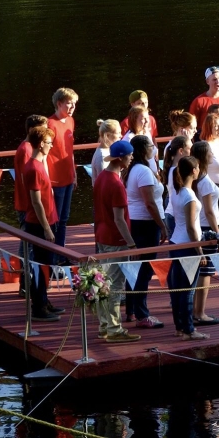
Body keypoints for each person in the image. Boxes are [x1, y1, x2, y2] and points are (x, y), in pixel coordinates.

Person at [92, 139, 142, 343]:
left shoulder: (101, 178)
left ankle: (104, 325)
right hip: (116, 239)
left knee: (104, 282)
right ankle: (114, 329)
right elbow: (119, 219)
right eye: (130, 155)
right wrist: (131, 244)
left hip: (102, 235)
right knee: (114, 285)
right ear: (121, 158)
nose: (132, 158)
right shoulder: (116, 184)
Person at [122, 136, 168, 329]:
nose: (154, 148)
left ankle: (131, 310)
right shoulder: (143, 171)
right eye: (151, 145)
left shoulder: (135, 169)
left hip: (136, 222)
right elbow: (149, 203)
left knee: (135, 268)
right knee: (145, 269)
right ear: (143, 150)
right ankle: (142, 314)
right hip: (146, 224)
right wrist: (162, 225)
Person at [21, 126, 63, 322]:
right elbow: (36, 202)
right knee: (41, 266)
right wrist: (46, 228)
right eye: (48, 143)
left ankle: (44, 301)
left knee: (47, 265)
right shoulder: (33, 168)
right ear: (40, 144)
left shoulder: (39, 164)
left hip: (49, 220)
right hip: (39, 224)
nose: (51, 146)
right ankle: (38, 307)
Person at [167, 155, 210, 341]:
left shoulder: (176, 192)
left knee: (177, 289)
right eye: (198, 167)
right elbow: (192, 228)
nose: (199, 170)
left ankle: (180, 327)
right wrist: (200, 251)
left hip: (175, 242)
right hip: (188, 246)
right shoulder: (189, 196)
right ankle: (189, 330)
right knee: (187, 291)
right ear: (193, 171)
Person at [191, 141, 219, 326]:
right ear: (204, 156)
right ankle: (200, 312)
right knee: (206, 272)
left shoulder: (197, 178)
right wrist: (218, 234)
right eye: (210, 152)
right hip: (207, 229)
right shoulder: (204, 182)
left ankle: (195, 311)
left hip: (199, 227)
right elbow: (210, 211)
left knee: (199, 271)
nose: (212, 154)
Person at [14, 115, 48, 296]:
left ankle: (28, 283)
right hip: (26, 205)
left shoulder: (28, 148)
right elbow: (25, 181)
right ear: (31, 131)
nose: (46, 133)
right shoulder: (26, 150)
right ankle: (26, 284)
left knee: (29, 245)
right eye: (43, 129)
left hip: (28, 204)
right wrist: (33, 206)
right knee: (28, 246)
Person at [47, 87, 78, 253]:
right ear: (59, 104)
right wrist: (47, 181)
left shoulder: (71, 121)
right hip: (55, 179)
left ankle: (61, 253)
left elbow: (70, 150)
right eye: (69, 103)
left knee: (64, 218)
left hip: (68, 177)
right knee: (55, 219)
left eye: (74, 103)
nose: (73, 107)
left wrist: (74, 174)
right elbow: (44, 154)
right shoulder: (50, 124)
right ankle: (52, 255)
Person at [161, 135, 192, 237]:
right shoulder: (177, 171)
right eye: (190, 149)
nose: (192, 152)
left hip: (172, 213)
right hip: (175, 216)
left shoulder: (172, 168)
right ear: (181, 151)